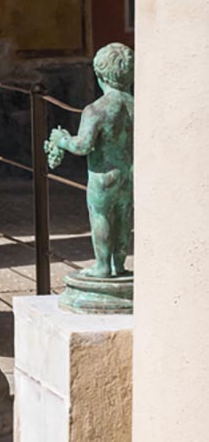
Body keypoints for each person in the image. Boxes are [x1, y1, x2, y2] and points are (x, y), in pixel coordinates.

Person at [45, 42, 134, 278]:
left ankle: (102, 266)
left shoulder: (96, 109)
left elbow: (82, 145)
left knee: (100, 214)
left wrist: (62, 139)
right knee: (124, 217)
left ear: (100, 74)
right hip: (129, 172)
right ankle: (119, 264)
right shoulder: (137, 106)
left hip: (104, 174)